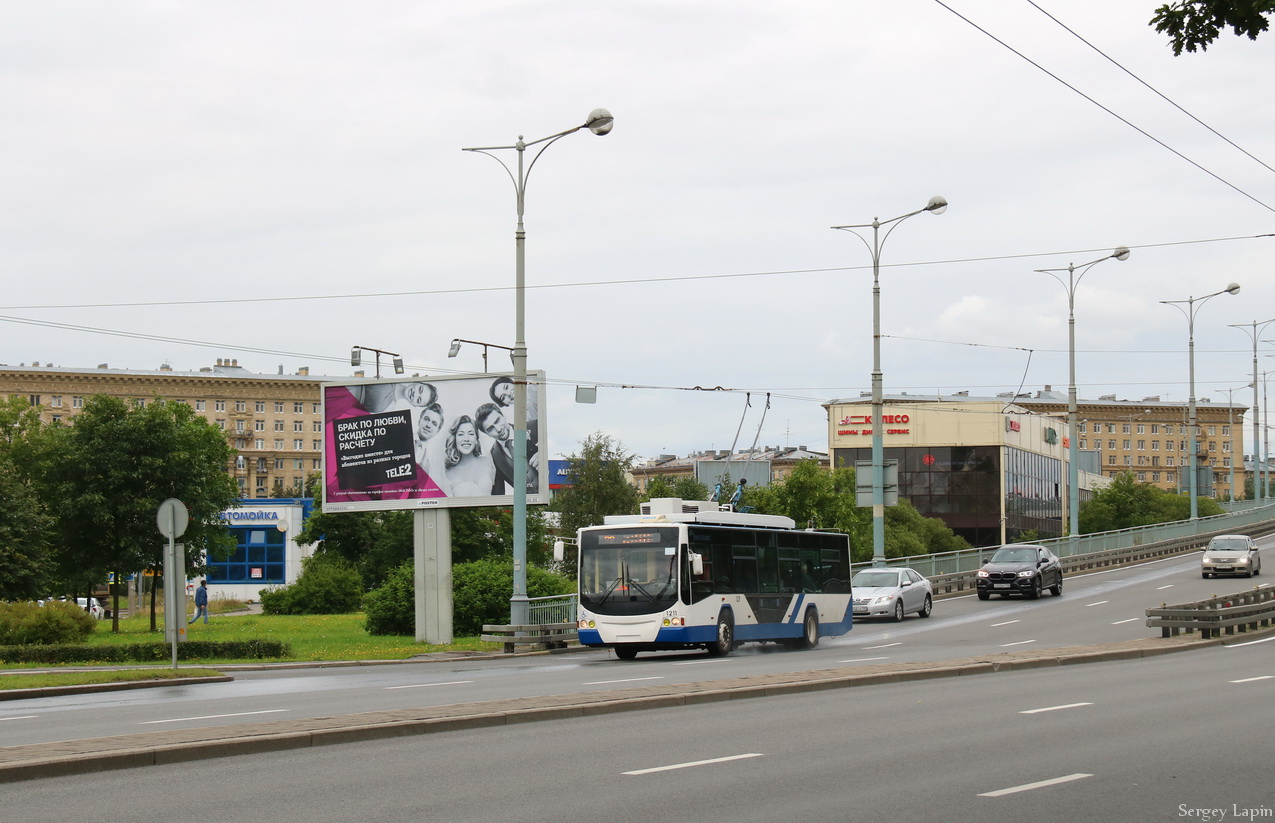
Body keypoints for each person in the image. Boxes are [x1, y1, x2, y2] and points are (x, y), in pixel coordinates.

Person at [475, 402, 538, 495]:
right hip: (526, 506)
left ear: (503, 415)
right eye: (490, 429)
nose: (498, 429)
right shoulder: (493, 458)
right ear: (487, 434)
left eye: (497, 421)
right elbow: (498, 494)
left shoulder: (535, 426)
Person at [443, 415, 495, 497]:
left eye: (471, 434)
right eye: (461, 434)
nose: (466, 439)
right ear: (455, 439)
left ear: (476, 439)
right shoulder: (447, 471)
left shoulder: (487, 462)